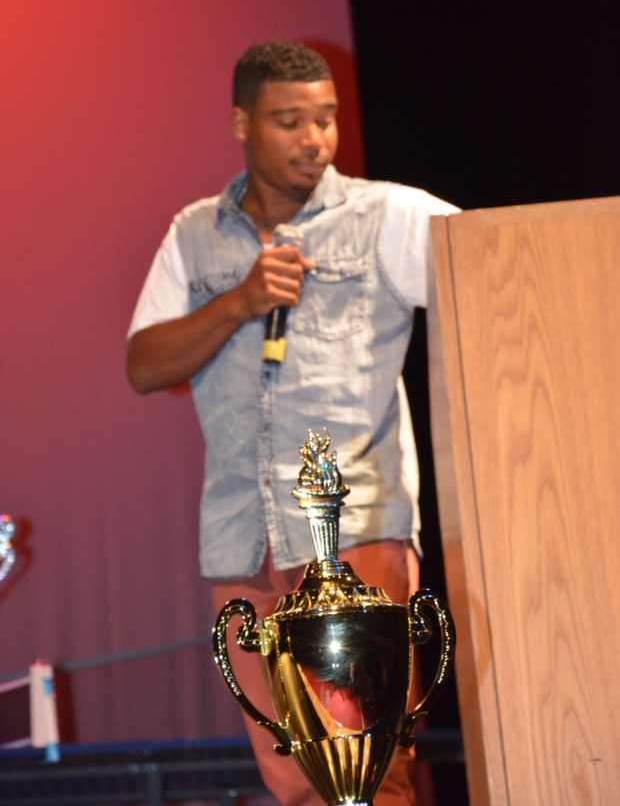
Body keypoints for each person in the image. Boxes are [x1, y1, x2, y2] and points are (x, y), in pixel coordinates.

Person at [127, 40, 458, 806]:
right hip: (244, 538)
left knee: (372, 767)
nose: (315, 140)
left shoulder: (388, 215)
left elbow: (503, 266)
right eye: (290, 122)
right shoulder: (194, 233)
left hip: (354, 529)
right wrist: (238, 302)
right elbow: (144, 364)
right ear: (242, 123)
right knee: (299, 778)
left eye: (326, 119)